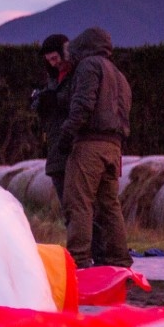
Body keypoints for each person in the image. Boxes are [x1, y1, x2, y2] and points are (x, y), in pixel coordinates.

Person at [58, 27, 132, 268]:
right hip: (114, 147)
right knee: (110, 206)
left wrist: (66, 136)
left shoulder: (88, 66)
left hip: (89, 146)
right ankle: (119, 261)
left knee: (78, 203)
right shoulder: (119, 75)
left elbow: (83, 104)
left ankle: (78, 261)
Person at [32, 33, 73, 206]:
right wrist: (39, 103)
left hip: (70, 148)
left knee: (76, 205)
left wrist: (56, 100)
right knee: (67, 205)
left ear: (65, 53)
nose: (53, 63)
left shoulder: (78, 74)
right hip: (56, 148)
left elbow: (81, 104)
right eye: (48, 60)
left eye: (55, 58)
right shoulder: (53, 79)